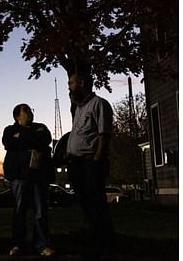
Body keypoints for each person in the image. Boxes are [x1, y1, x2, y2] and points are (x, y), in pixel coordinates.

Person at [66, 72, 115, 259]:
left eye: (71, 83)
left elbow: (104, 133)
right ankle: (97, 239)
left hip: (91, 162)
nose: (69, 86)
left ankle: (106, 244)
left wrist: (97, 158)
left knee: (97, 203)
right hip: (77, 163)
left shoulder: (99, 104)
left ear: (82, 83)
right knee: (86, 203)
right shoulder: (79, 108)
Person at [2, 104, 55, 258]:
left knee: (40, 211)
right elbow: (9, 143)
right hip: (18, 176)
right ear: (17, 116)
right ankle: (18, 244)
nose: (31, 113)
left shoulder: (41, 127)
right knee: (19, 211)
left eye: (31, 111)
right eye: (26, 111)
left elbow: (45, 139)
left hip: (38, 176)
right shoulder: (9, 130)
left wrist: (22, 137)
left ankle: (42, 245)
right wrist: (31, 136)